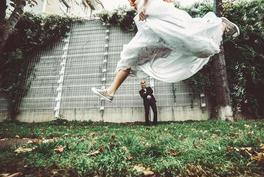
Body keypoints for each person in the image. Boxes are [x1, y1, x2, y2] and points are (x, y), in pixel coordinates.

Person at [91, 0, 240, 102]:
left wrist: (143, 6)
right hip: (148, 23)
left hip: (156, 13)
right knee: (129, 56)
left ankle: (218, 24)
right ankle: (110, 91)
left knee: (188, 36)